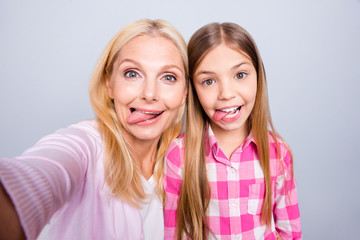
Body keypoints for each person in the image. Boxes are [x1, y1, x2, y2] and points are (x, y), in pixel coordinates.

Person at [0, 18, 188, 240]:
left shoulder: (186, 162)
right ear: (109, 84)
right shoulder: (85, 145)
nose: (149, 93)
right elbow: (40, 173)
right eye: (132, 73)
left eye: (168, 77)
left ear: (185, 91)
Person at [164, 22, 301, 239]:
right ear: (192, 89)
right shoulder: (179, 155)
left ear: (258, 76)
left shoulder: (278, 153)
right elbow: (172, 233)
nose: (226, 94)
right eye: (208, 81)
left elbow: (290, 232)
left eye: (240, 75)